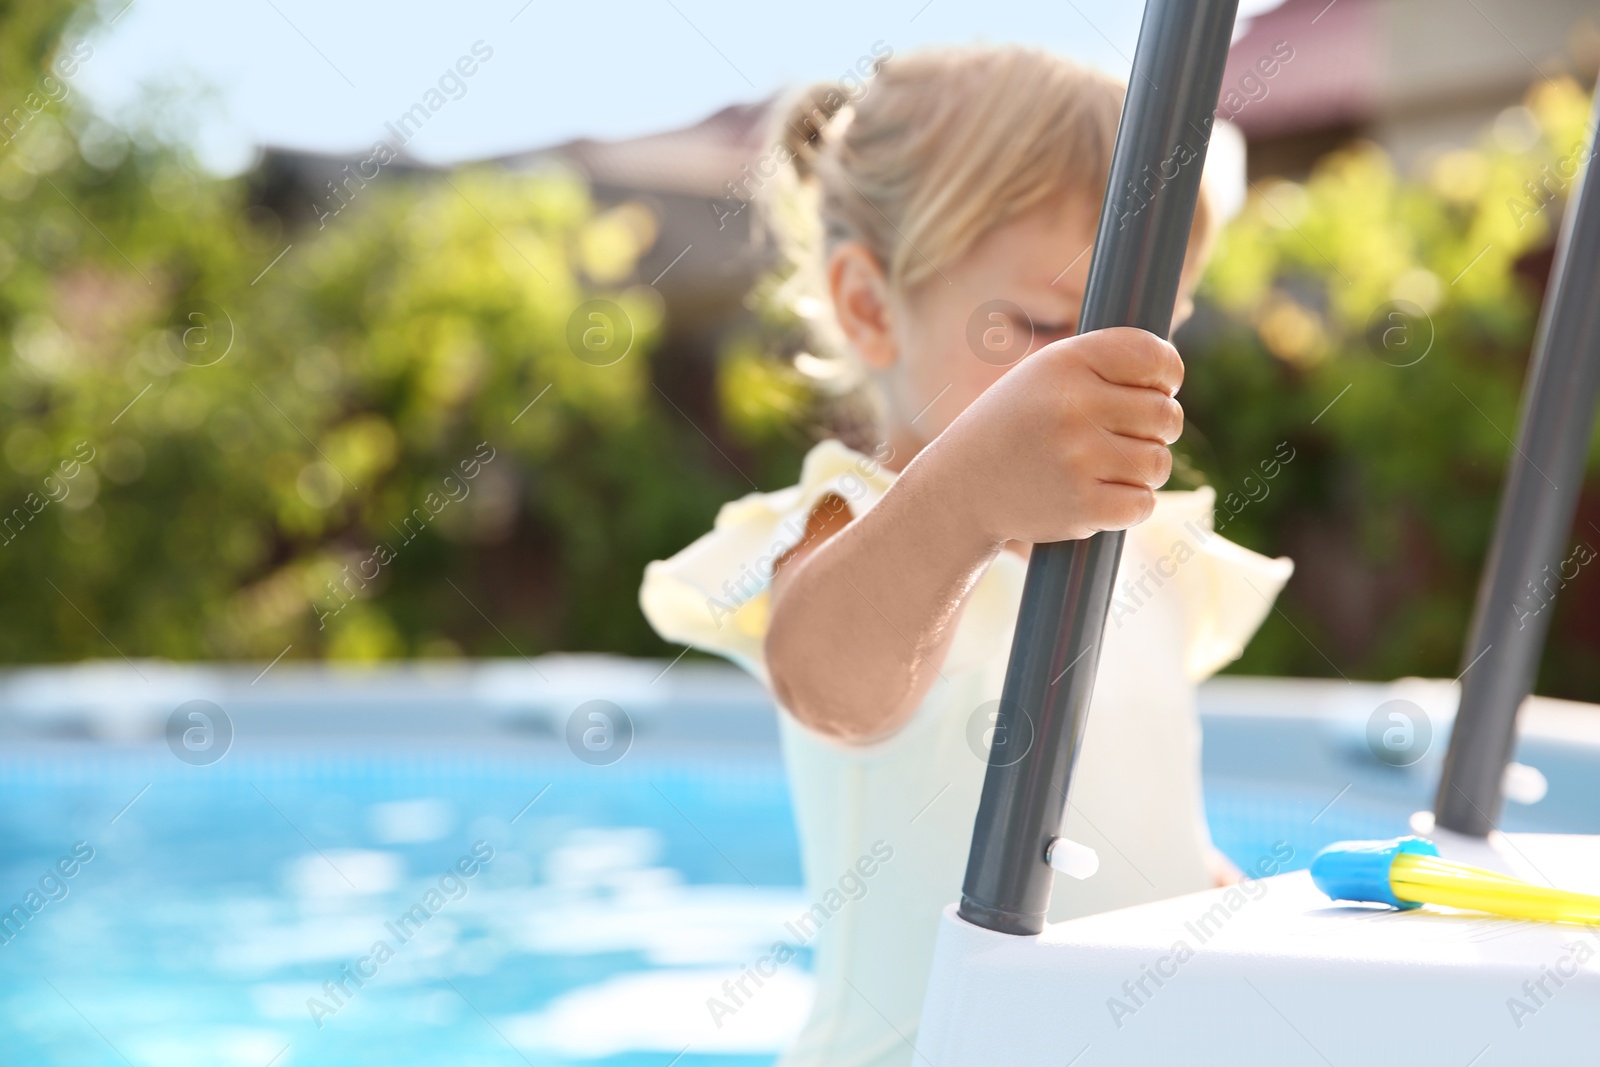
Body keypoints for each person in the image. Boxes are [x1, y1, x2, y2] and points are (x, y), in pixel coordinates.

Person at [640, 44, 1293, 1067]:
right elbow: (830, 683)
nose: (1091, 379)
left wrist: (1224, 907)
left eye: (1144, 339)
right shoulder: (850, 524)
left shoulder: (1149, 555)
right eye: (1042, 326)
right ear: (868, 304)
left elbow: (1141, 834)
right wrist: (971, 496)